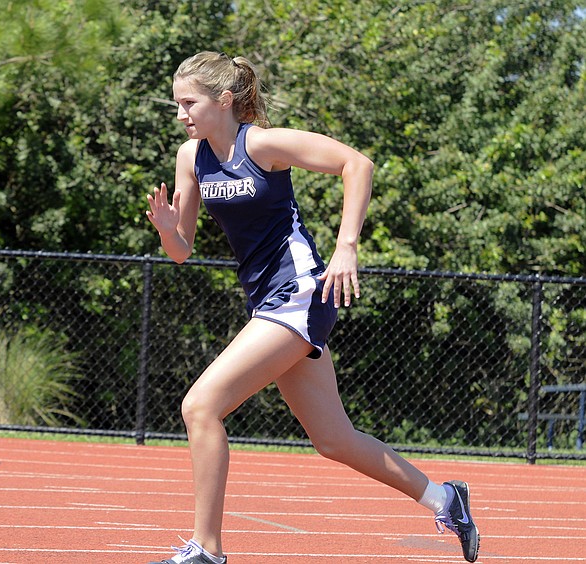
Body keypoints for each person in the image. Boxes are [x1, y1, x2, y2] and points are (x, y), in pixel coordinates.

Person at [144, 51, 480, 564]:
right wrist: (170, 231)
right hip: (267, 301)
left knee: (200, 406)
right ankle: (444, 498)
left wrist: (347, 246)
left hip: (299, 291)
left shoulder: (261, 143)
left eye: (189, 103)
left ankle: (206, 549)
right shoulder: (191, 158)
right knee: (333, 439)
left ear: (224, 100)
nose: (182, 114)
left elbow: (356, 163)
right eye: (177, 105)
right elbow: (182, 252)